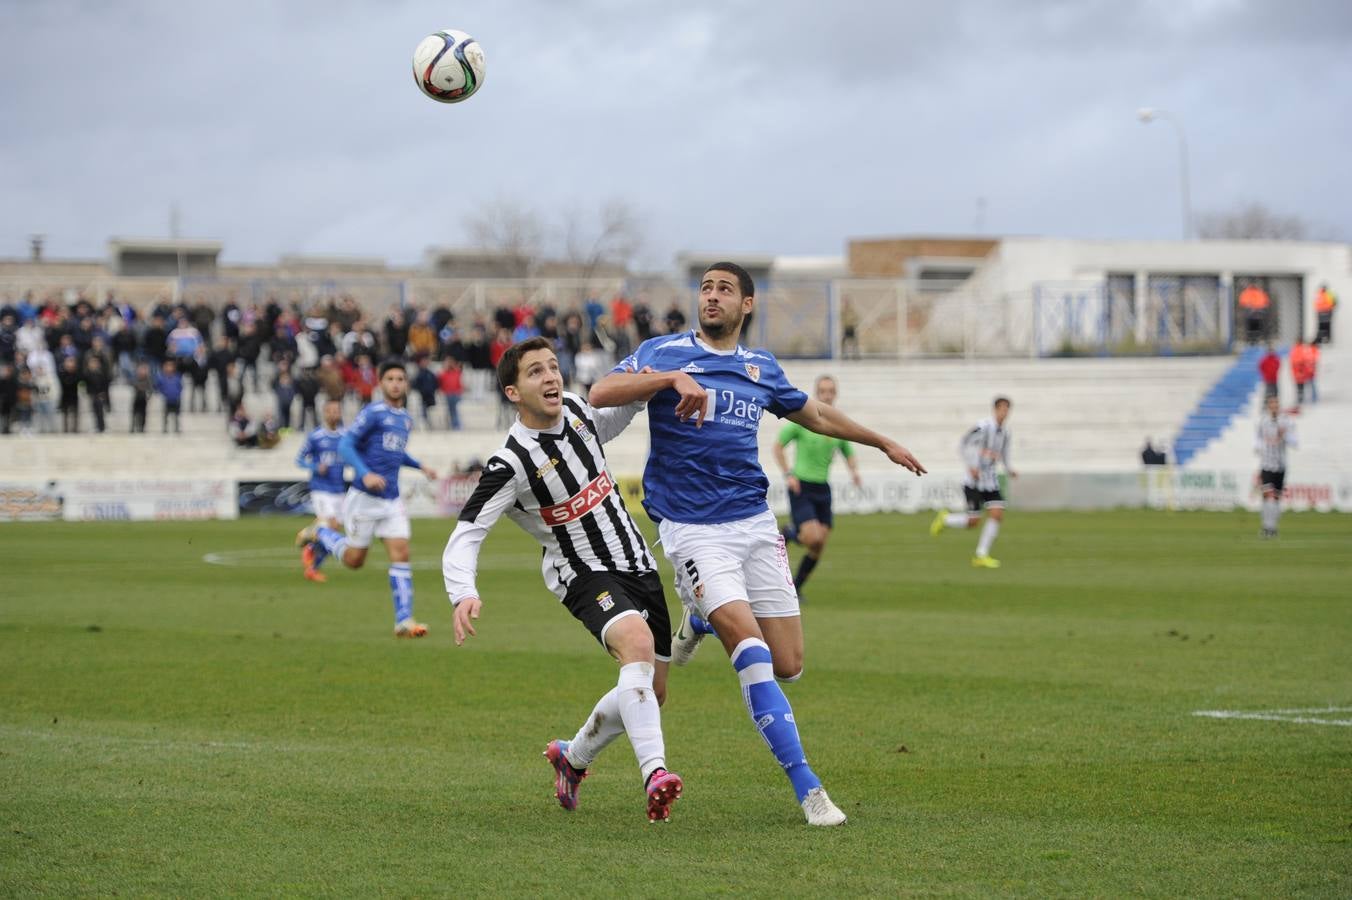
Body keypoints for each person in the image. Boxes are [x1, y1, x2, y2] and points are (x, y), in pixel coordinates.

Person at [589, 262, 926, 827]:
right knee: (754, 655)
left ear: (747, 304)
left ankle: (696, 619)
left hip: (754, 523)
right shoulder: (665, 350)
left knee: (790, 662)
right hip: (692, 528)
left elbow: (813, 413)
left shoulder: (760, 366)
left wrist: (880, 440)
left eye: (725, 290)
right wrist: (668, 380)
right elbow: (601, 391)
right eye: (706, 288)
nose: (712, 297)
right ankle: (810, 789)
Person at [443, 337, 684, 822]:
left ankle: (572, 759)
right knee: (634, 644)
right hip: (582, 573)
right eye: (535, 372)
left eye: (553, 367)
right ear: (513, 392)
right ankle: (656, 774)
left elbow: (606, 424)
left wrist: (642, 392)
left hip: (636, 561)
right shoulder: (509, 463)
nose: (551, 377)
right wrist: (463, 592)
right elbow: (467, 533)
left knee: (650, 693)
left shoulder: (575, 408)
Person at [296, 360, 438, 638]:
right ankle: (321, 532)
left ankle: (404, 620)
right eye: (390, 379)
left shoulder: (405, 419)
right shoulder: (373, 413)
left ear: (406, 384)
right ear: (381, 384)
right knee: (354, 560)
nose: (396, 383)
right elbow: (346, 445)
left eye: (400, 379)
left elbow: (398, 454)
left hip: (391, 499)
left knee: (401, 554)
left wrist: (421, 466)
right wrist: (365, 473)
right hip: (364, 498)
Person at [773, 375, 862, 598]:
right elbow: (778, 446)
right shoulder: (804, 421)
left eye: (831, 391)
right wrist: (788, 474)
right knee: (812, 537)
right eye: (823, 391)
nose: (827, 395)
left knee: (819, 544)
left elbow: (848, 451)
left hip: (823, 489)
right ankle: (789, 533)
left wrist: (854, 472)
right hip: (801, 485)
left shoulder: (837, 424)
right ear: (816, 393)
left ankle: (797, 586)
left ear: (835, 394)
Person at [930, 397, 1018, 568]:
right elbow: (964, 444)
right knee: (973, 522)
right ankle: (946, 519)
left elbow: (1004, 453)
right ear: (995, 409)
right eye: (1002, 409)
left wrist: (1009, 469)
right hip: (974, 481)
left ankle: (981, 555)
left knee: (997, 514)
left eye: (1007, 409)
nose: (1005, 413)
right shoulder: (983, 427)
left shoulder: (1006, 432)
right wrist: (971, 465)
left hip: (990, 480)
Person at [296, 398, 347, 583]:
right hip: (321, 489)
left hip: (339, 489)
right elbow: (299, 460)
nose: (334, 414)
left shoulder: (345, 436)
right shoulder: (316, 436)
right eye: (330, 411)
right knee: (331, 525)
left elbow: (349, 458)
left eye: (336, 411)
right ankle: (309, 537)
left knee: (333, 531)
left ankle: (312, 564)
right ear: (324, 414)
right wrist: (316, 467)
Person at [1255, 393, 1297, 539]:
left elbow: (1295, 442)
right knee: (1267, 496)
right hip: (1266, 464)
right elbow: (1258, 439)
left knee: (1277, 498)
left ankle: (1273, 527)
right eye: (1271, 404)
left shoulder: (1286, 421)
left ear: (1279, 406)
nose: (1274, 407)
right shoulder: (1262, 421)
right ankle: (1267, 527)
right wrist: (1257, 448)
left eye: (1276, 404)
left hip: (1280, 465)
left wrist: (1284, 435)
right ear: (1268, 406)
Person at [156, 359, 184, 433]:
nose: (169, 368)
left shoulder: (177, 377)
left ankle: (176, 428)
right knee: (166, 415)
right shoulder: (162, 377)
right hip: (166, 399)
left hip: (176, 399)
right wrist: (164, 393)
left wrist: (177, 394)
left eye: (171, 366)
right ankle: (165, 428)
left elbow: (180, 386)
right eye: (167, 366)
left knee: (176, 415)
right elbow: (158, 387)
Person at [1289, 338, 1317, 407]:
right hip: (1302, 371)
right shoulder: (1303, 350)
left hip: (1299, 371)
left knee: (1300, 386)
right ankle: (1303, 398)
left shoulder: (1295, 349)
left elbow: (1294, 361)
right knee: (1303, 385)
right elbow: (1306, 360)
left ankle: (1301, 399)